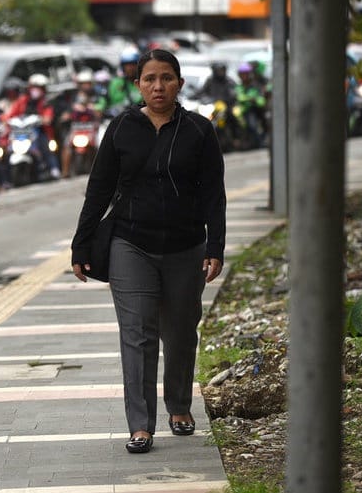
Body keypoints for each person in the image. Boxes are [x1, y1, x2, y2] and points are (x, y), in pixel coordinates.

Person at [70, 48, 226, 455]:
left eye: (167, 78)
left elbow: (214, 193)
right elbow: (99, 189)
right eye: (150, 79)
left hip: (186, 247)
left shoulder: (199, 130)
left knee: (180, 332)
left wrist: (216, 245)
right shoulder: (122, 127)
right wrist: (81, 243)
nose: (159, 86)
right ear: (138, 84)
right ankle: (140, 425)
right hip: (130, 244)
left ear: (180, 83)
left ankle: (179, 406)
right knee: (137, 334)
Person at [1, 73, 60, 179]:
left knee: (46, 146)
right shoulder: (23, 100)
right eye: (34, 87)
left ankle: (53, 169)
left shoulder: (46, 102)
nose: (36, 90)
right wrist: (5, 119)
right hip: (22, 131)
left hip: (39, 131)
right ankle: (5, 177)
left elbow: (48, 118)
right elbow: (11, 114)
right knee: (5, 147)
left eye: (39, 87)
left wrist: (43, 119)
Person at [105, 46, 144, 113]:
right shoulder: (115, 83)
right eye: (126, 65)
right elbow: (103, 102)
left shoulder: (145, 83)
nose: (129, 68)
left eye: (132, 64)